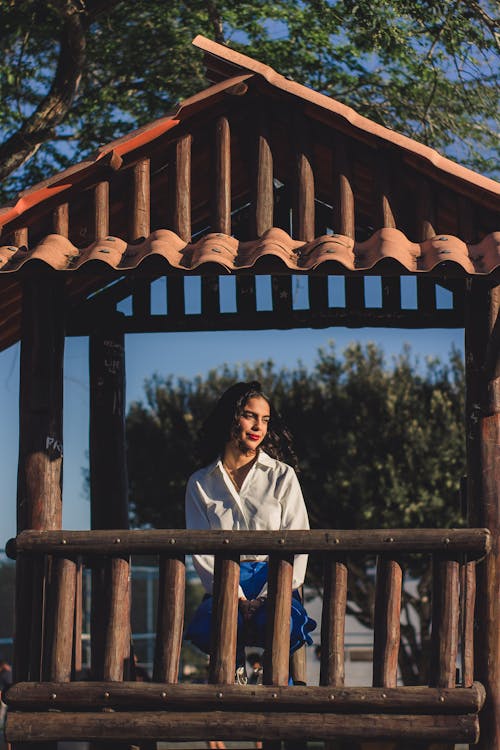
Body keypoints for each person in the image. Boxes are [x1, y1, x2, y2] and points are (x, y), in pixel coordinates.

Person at [184, 381, 316, 682]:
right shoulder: (201, 483)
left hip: (277, 579)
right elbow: (202, 553)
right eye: (249, 415)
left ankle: (279, 691)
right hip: (224, 583)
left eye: (265, 419)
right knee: (218, 627)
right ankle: (233, 684)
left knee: (280, 626)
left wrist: (268, 596)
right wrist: (238, 597)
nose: (258, 426)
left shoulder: (282, 476)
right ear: (230, 417)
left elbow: (299, 542)